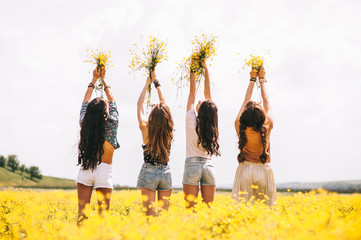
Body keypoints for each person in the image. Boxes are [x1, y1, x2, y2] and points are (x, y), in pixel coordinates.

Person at [76, 67, 119, 225]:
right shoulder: (113, 124)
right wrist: (104, 80)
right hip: (104, 171)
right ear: (105, 113)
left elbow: (84, 103)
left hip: (86, 169)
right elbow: (113, 102)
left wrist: (93, 80)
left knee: (82, 217)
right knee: (103, 220)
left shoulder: (84, 123)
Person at [231, 65, 276, 206]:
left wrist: (252, 79)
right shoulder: (267, 125)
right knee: (265, 212)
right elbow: (267, 99)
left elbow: (245, 101)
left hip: (245, 171)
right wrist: (262, 79)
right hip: (264, 171)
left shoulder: (239, 125)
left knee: (243, 211)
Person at [183, 60, 221, 208]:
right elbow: (208, 95)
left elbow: (192, 93)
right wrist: (206, 69)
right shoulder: (213, 125)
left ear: (200, 110)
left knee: (190, 211)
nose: (201, 99)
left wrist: (192, 71)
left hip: (192, 165)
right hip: (208, 167)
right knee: (208, 211)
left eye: (201, 102)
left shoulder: (190, 119)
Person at [136, 70, 174, 216]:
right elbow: (164, 104)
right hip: (165, 172)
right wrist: (157, 82)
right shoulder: (168, 131)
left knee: (150, 220)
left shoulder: (145, 129)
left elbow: (139, 105)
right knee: (162, 219)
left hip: (149, 172)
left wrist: (147, 83)